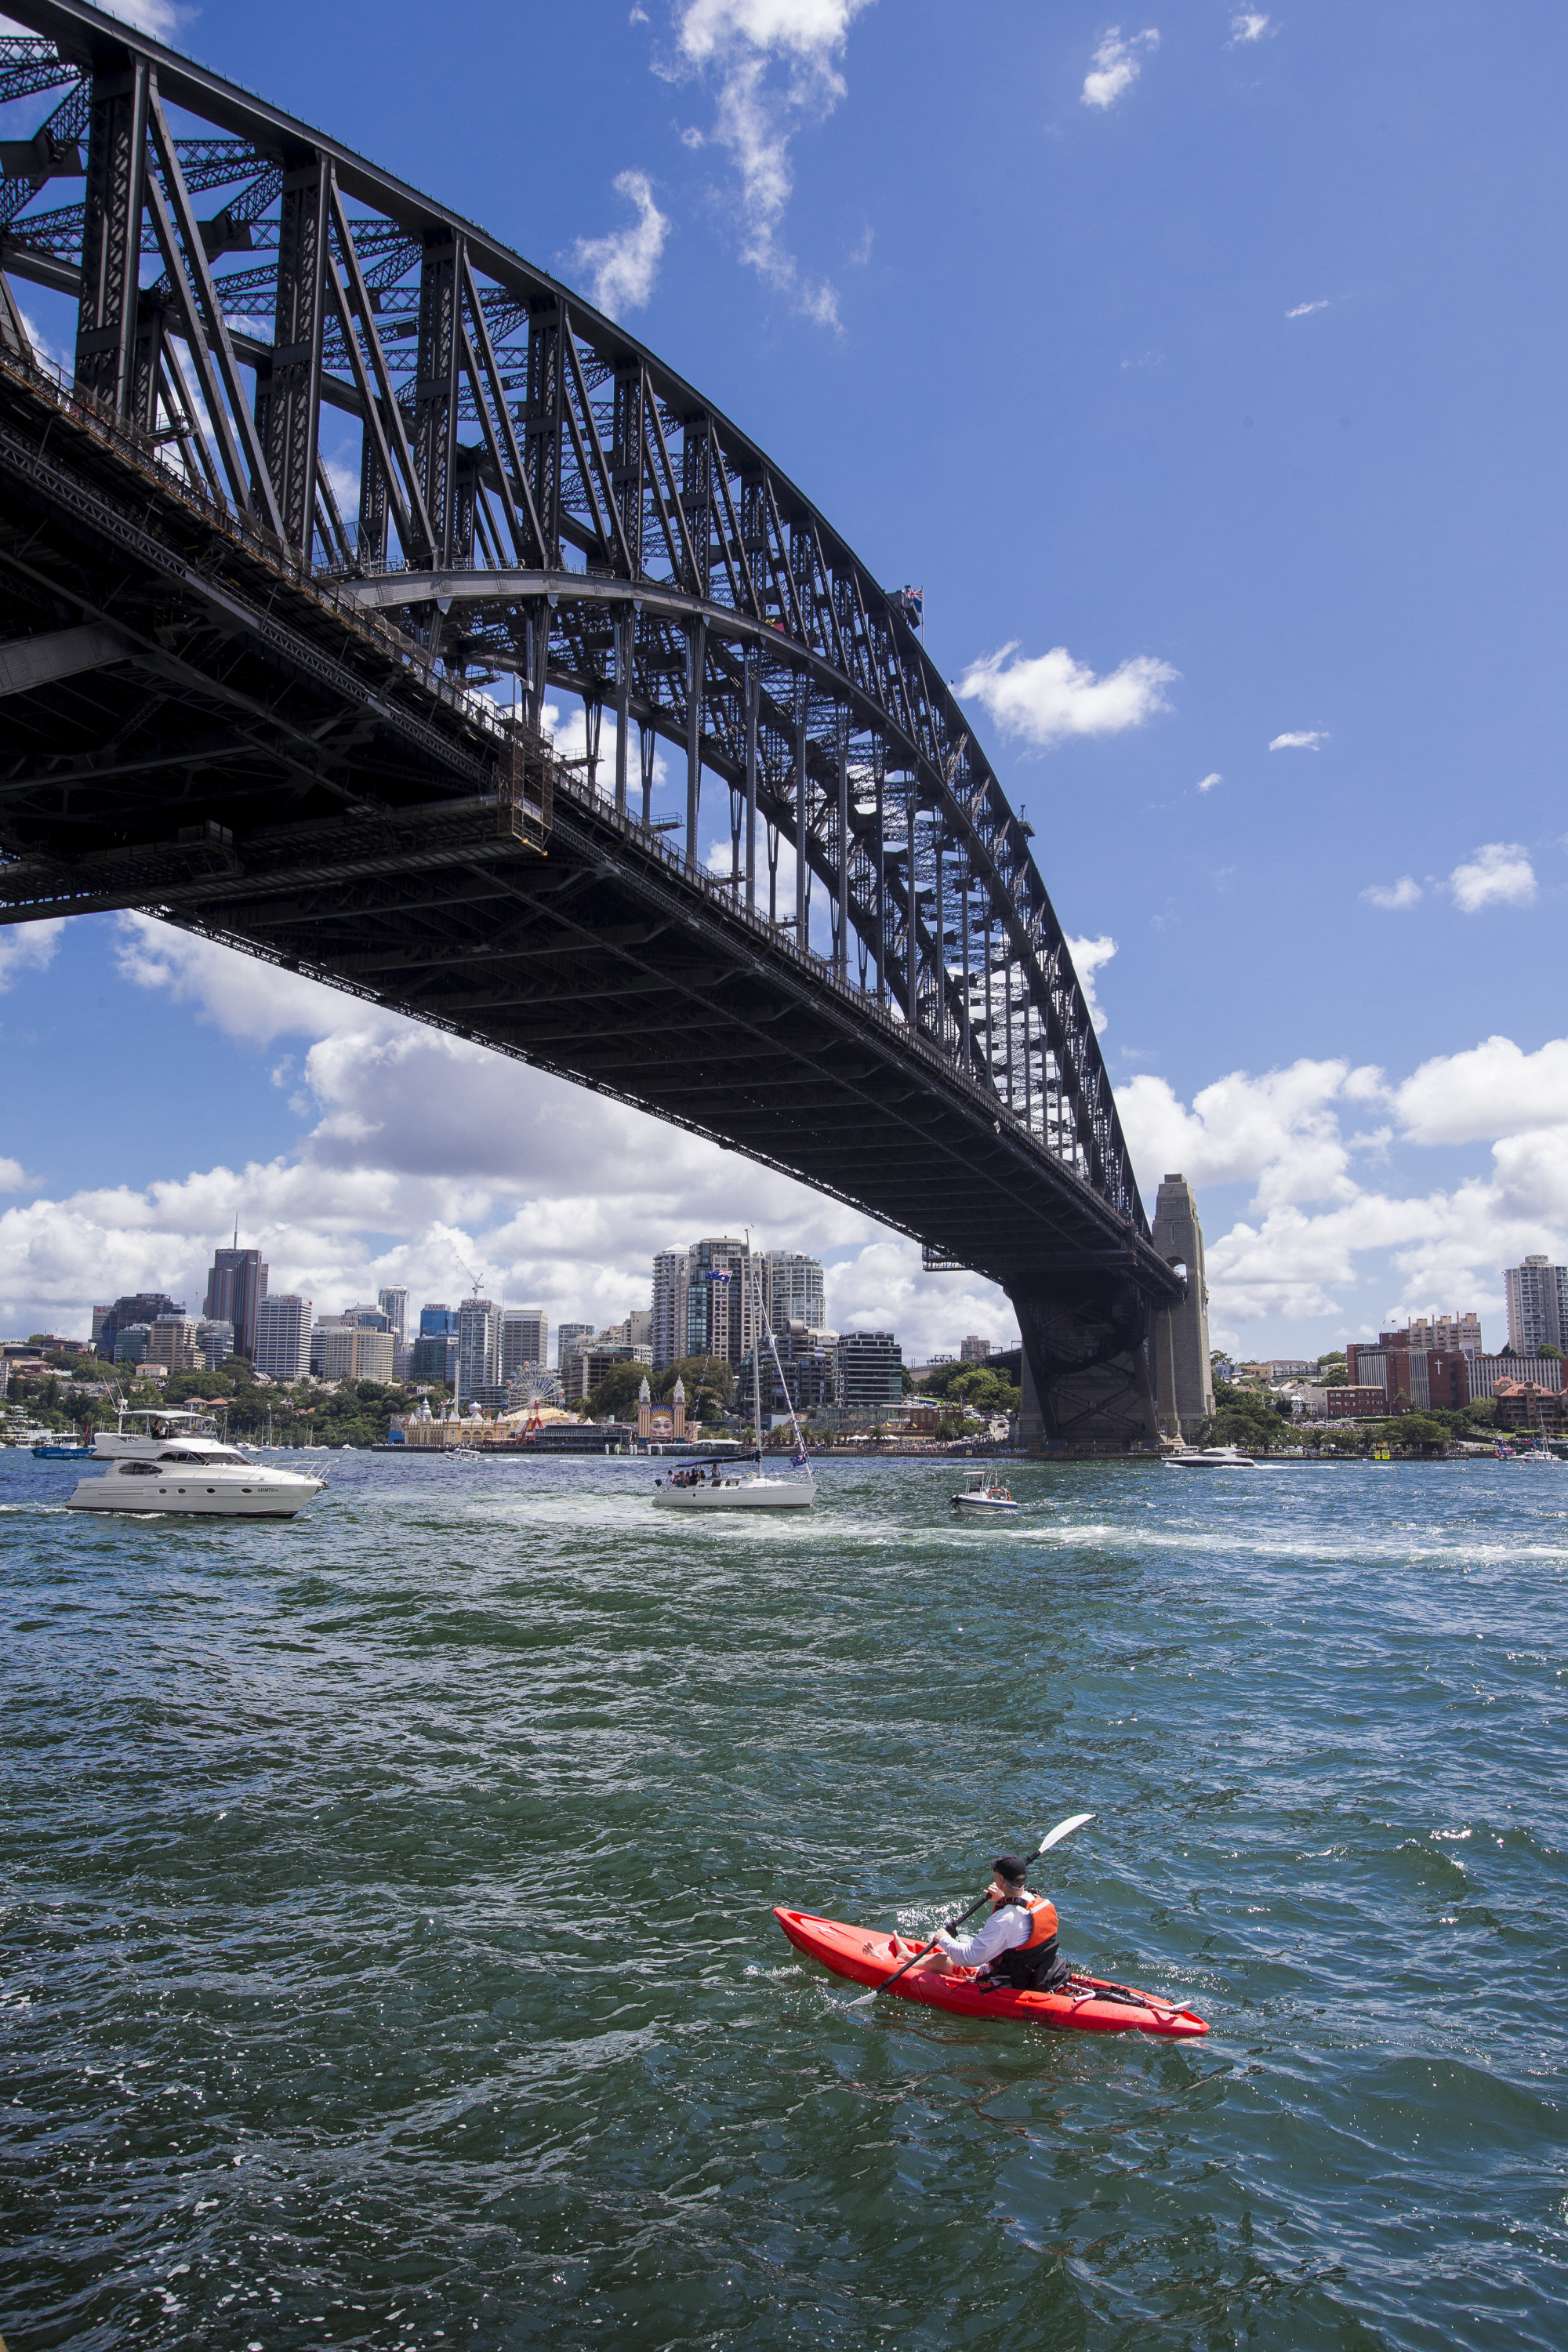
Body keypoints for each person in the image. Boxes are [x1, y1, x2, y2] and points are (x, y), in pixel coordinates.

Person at [892, 1854, 1068, 1991]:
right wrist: (1003, 1898)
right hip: (1036, 1972)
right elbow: (1019, 1917)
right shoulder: (1040, 1902)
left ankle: (895, 1965)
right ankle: (907, 1957)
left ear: (1000, 1880)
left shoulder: (1003, 1920)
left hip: (1006, 1983)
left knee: (941, 1959)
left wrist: (943, 1938)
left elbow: (968, 1958)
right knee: (953, 1952)